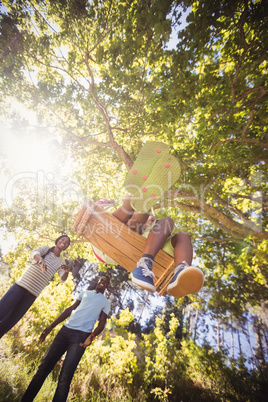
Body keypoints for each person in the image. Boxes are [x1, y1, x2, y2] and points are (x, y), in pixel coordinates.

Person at [91, 196, 204, 298]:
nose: (152, 222)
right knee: (155, 217)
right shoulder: (139, 227)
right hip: (107, 245)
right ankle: (145, 263)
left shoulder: (157, 237)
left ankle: (180, 272)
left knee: (183, 236)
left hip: (150, 251)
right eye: (151, 220)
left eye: (154, 222)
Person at [21, 275, 110, 402]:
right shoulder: (85, 293)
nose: (103, 282)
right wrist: (51, 326)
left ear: (107, 286)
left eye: (106, 282)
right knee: (43, 369)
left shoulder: (106, 303)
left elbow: (102, 323)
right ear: (98, 282)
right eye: (101, 280)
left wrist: (92, 336)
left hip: (81, 337)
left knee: (64, 378)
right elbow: (70, 309)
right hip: (65, 331)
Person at [0, 234, 71, 338]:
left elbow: (62, 279)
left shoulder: (61, 262)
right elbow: (34, 253)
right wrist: (40, 260)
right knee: (2, 310)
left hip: (32, 295)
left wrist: (66, 271)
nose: (64, 242)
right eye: (62, 239)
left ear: (66, 247)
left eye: (67, 243)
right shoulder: (45, 249)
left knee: (10, 321)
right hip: (21, 286)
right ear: (57, 240)